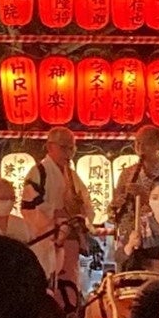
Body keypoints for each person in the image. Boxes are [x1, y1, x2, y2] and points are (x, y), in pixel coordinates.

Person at [21, 126, 93, 295]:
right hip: (47, 237)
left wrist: (81, 211)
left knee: (70, 284)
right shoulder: (39, 172)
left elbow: (86, 204)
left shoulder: (73, 175)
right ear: (49, 147)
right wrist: (57, 212)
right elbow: (30, 205)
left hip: (70, 238)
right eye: (64, 147)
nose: (68, 153)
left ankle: (69, 317)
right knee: (48, 283)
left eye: (72, 148)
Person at [110, 125, 159, 236]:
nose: (141, 147)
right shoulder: (127, 173)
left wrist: (146, 197)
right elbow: (114, 208)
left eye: (146, 143)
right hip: (131, 234)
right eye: (138, 143)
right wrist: (117, 205)